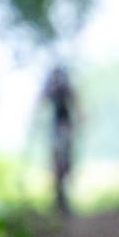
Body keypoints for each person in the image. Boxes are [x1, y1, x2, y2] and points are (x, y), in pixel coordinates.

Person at [42, 62, 77, 215]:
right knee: (57, 163)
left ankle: (62, 200)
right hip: (57, 129)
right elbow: (43, 99)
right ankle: (58, 199)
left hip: (64, 129)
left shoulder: (65, 88)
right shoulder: (53, 88)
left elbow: (75, 100)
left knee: (64, 163)